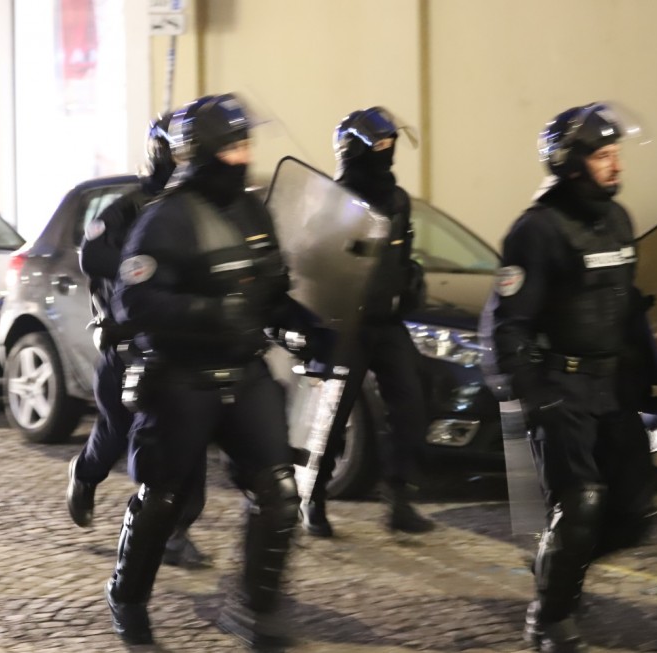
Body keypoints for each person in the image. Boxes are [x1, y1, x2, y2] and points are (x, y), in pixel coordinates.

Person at [104, 93, 308, 648]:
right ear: (203, 152)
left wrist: (306, 324)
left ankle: (256, 609)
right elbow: (134, 302)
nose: (244, 156)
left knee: (279, 493)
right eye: (233, 147)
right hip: (181, 378)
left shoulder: (251, 210)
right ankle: (128, 598)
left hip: (245, 372)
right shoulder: (164, 219)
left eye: (246, 144)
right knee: (162, 500)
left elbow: (271, 288)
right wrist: (209, 312)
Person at [482, 103, 657, 652]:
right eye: (603, 156)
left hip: (612, 388)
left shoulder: (619, 219)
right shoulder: (536, 230)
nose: (616, 165)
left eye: (616, 153)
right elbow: (510, 324)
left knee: (634, 512)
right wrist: (535, 395)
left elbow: (627, 305)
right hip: (562, 387)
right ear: (571, 163)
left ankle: (558, 565)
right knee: (580, 501)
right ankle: (549, 619)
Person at [66, 112, 210, 569]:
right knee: (116, 432)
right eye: (179, 151)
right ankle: (85, 474)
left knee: (188, 439)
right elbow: (93, 255)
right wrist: (145, 269)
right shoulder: (129, 207)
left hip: (178, 346)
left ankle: (176, 532)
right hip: (127, 343)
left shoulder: (198, 208)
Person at [301, 106, 434, 537]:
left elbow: (402, 254)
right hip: (344, 327)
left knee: (411, 406)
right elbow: (311, 262)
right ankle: (313, 497)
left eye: (390, 144)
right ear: (355, 150)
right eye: (379, 145)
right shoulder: (333, 201)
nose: (387, 151)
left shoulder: (397, 200)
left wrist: (409, 280)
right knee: (332, 417)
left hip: (386, 324)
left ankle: (399, 497)